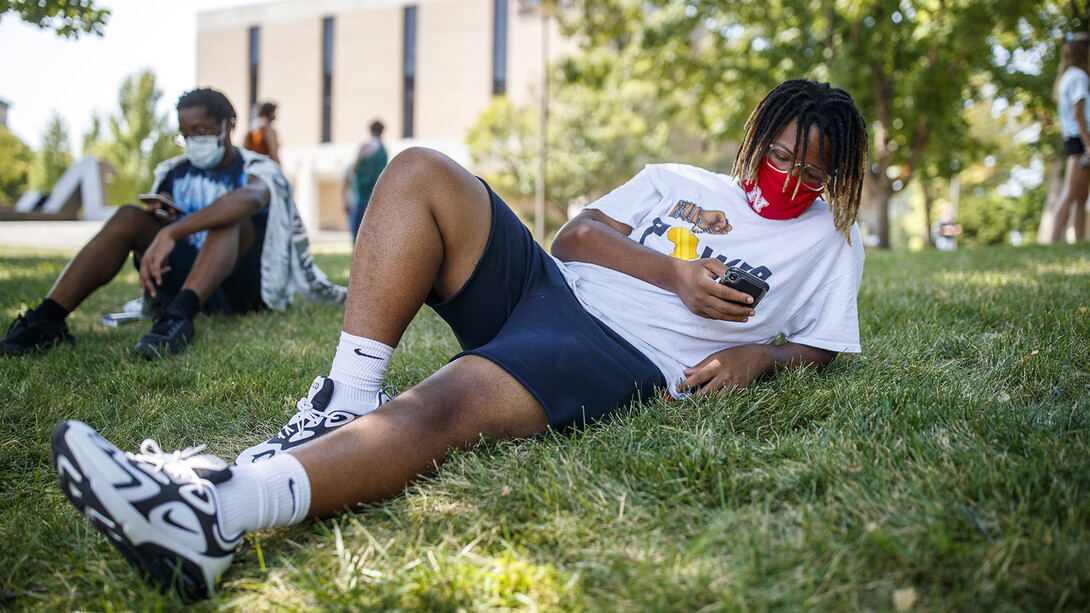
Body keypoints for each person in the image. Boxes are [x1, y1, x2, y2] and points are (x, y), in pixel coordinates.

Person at [50, 79, 868, 599]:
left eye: (813, 173)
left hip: (622, 356)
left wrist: (763, 354)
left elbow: (821, 346)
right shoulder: (679, 182)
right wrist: (673, 274)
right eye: (779, 156)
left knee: (444, 402)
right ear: (758, 139)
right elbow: (577, 234)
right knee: (420, 171)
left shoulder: (830, 242)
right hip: (551, 286)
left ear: (836, 181)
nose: (788, 180)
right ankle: (344, 395)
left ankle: (217, 517)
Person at [2, 88, 345, 359]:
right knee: (127, 217)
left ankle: (177, 319)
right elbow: (154, 220)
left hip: (238, 288)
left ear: (228, 125)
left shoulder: (255, 167)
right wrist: (163, 222)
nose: (193, 141)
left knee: (230, 220)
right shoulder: (174, 171)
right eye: (185, 134)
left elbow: (251, 198)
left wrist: (175, 230)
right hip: (182, 275)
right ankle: (47, 319)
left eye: (201, 131)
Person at [1046, 32, 1090, 244]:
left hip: (1074, 138)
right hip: (1079, 139)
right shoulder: (1079, 76)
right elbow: (1078, 112)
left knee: (1081, 195)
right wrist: (1088, 143)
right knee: (1071, 193)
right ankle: (1053, 241)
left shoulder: (1067, 76)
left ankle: (1079, 240)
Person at [345, 119, 388, 243]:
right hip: (376, 196)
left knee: (357, 231)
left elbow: (353, 170)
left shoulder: (366, 147)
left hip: (361, 194)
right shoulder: (384, 151)